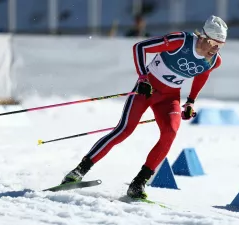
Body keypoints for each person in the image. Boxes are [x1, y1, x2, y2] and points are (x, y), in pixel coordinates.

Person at [61, 15, 227, 199]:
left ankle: (138, 183)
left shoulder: (214, 61)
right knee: (124, 130)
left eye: (220, 45)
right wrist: (143, 78)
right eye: (213, 43)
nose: (215, 49)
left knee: (170, 132)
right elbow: (140, 47)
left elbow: (202, 75)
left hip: (170, 98)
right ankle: (79, 170)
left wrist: (191, 101)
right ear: (203, 37)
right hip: (147, 91)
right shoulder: (180, 41)